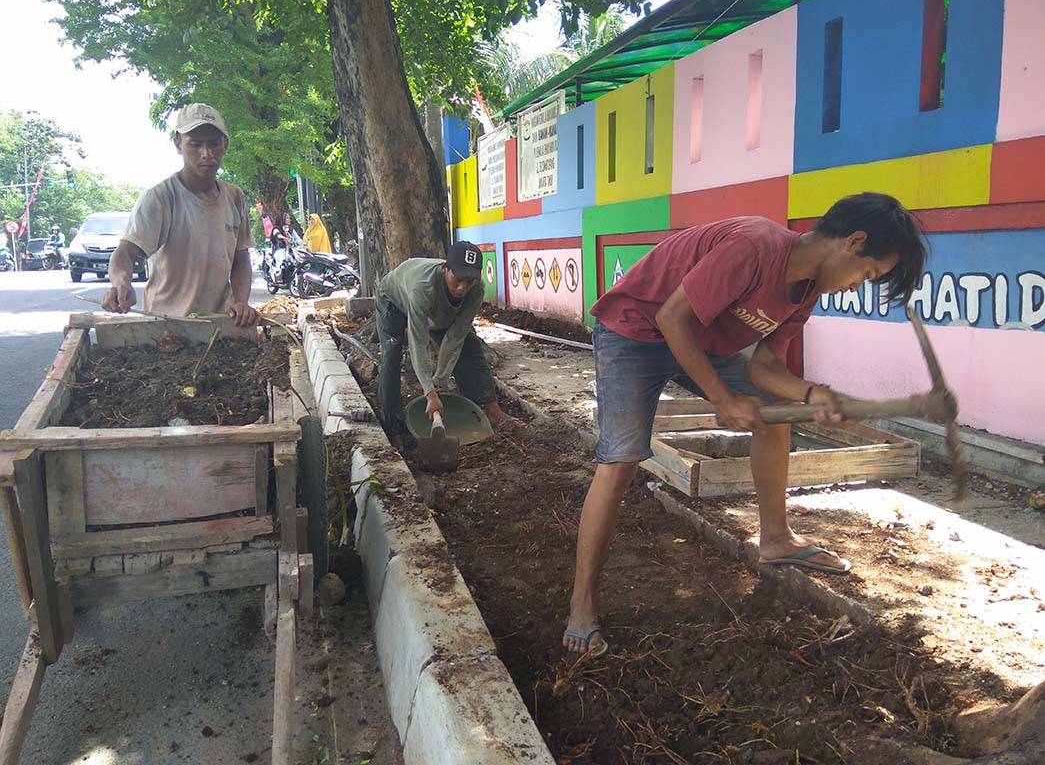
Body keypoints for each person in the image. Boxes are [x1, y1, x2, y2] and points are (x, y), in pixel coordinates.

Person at [562, 192, 928, 657]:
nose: (858, 286)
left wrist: (815, 395)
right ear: (854, 242)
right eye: (867, 274)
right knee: (621, 461)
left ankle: (776, 538)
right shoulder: (755, 247)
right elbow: (671, 317)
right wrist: (721, 397)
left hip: (702, 340)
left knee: (773, 418)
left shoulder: (805, 292)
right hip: (635, 330)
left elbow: (764, 370)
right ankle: (582, 601)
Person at [101, 103, 258, 326]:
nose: (206, 154)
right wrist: (121, 283)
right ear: (178, 144)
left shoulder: (235, 197)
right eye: (195, 144)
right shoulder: (159, 198)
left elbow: (241, 261)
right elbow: (125, 253)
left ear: (225, 145)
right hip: (167, 325)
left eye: (214, 144)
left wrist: (241, 302)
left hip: (220, 326)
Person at [376, 240, 512, 444]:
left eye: (469, 281)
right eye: (457, 279)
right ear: (444, 269)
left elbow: (456, 336)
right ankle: (393, 428)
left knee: (470, 344)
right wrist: (429, 392)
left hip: (434, 309)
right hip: (393, 299)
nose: (462, 288)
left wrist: (440, 380)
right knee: (392, 354)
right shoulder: (423, 287)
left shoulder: (476, 290)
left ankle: (490, 410)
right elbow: (418, 341)